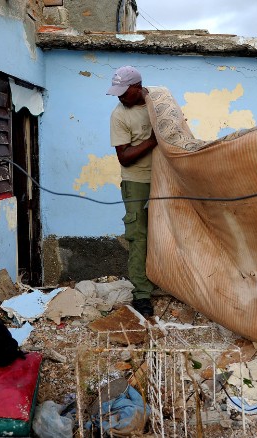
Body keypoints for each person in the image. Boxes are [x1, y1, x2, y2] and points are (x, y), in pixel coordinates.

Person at [107, 66, 158, 317]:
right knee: (138, 236)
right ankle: (141, 293)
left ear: (137, 88)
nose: (119, 97)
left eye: (123, 92)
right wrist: (152, 141)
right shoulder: (119, 115)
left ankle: (165, 282)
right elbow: (124, 157)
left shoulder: (157, 103)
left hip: (164, 180)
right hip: (136, 182)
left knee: (164, 233)